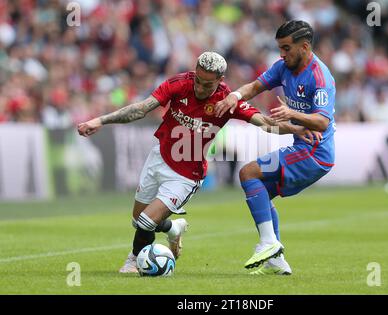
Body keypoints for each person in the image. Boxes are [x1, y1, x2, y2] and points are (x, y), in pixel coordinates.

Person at [78, 51, 319, 273]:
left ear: (220, 79)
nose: (201, 88)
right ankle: (173, 228)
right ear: (195, 72)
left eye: (208, 84)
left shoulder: (227, 100)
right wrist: (100, 121)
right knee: (138, 221)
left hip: (186, 175)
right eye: (198, 81)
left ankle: (134, 259)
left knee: (145, 222)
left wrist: (291, 129)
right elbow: (141, 109)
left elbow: (264, 123)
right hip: (159, 158)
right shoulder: (179, 84)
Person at [215, 20, 336, 275]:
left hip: (314, 152)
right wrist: (234, 96)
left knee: (248, 173)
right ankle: (276, 258)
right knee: (258, 193)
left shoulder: (320, 77)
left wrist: (292, 113)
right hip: (304, 148)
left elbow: (323, 121)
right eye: (280, 48)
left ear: (304, 47)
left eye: (286, 48)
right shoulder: (283, 68)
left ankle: (269, 243)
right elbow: (254, 87)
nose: (282, 54)